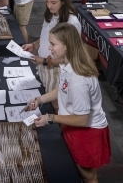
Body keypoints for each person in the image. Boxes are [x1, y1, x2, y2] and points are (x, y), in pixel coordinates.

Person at [26, 22, 110, 183]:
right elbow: (62, 89)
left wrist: (51, 118)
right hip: (73, 125)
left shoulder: (78, 80)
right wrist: (40, 99)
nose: (49, 48)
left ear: (67, 45)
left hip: (86, 132)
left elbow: (82, 119)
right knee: (76, 168)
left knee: (88, 176)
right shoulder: (68, 61)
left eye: (53, 44)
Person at [22, 0, 81, 109]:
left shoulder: (71, 22)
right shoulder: (51, 14)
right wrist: (34, 45)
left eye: (53, 2)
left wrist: (44, 61)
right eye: (47, 2)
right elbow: (45, 36)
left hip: (57, 70)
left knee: (57, 102)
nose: (49, 6)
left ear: (63, 1)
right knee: (47, 96)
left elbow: (71, 57)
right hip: (45, 66)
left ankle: (60, 126)